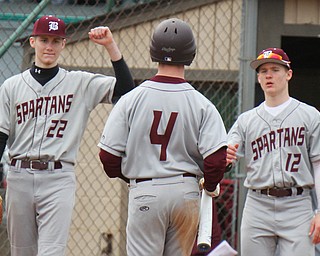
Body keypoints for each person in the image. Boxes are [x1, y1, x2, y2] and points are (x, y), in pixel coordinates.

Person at [0, 15, 134, 256]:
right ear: (33, 42)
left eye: (55, 40)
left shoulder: (79, 82)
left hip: (58, 177)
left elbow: (125, 91)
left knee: (52, 252)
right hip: (19, 176)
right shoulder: (11, 86)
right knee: (22, 253)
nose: (49, 46)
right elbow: (0, 137)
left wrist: (111, 47)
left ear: (64, 44)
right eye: (44, 40)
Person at [98, 18, 227, 256]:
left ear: (153, 52)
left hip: (145, 189)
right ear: (191, 54)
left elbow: (108, 157)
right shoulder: (202, 103)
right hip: (186, 193)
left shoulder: (131, 99)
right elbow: (216, 160)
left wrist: (131, 177)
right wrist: (209, 185)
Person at [226, 47, 320, 256]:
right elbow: (228, 152)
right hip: (258, 204)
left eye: (275, 69)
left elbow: (318, 165)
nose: (268, 75)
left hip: (298, 204)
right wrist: (226, 156)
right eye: (263, 70)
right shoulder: (246, 120)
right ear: (258, 78)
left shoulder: (309, 115)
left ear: (289, 74)